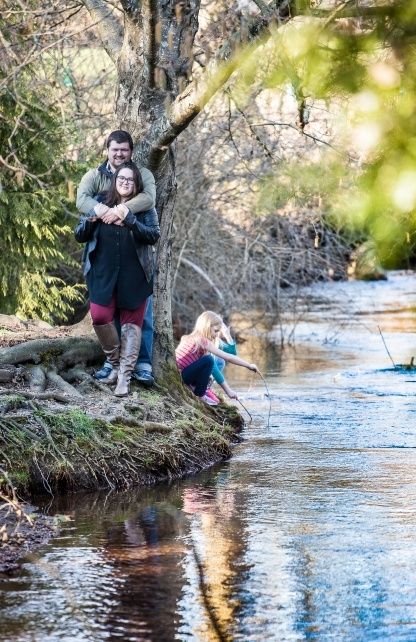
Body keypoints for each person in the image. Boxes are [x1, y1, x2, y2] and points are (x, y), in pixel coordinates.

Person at [77, 129, 156, 385]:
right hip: (105, 258)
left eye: (124, 149)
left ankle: (142, 363)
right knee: (105, 313)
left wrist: (122, 210)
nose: (120, 153)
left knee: (139, 313)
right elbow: (82, 201)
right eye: (115, 149)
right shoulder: (95, 176)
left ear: (131, 151)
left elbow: (149, 198)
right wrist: (101, 210)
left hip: (134, 260)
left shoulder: (142, 175)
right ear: (107, 151)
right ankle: (112, 362)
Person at [175, 311, 258, 405]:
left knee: (211, 361)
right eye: (215, 331)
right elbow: (228, 357)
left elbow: (231, 354)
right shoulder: (203, 341)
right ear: (207, 327)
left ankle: (195, 387)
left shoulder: (189, 338)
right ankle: (200, 394)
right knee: (209, 360)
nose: (216, 335)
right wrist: (248, 365)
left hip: (180, 374)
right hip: (180, 375)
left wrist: (228, 336)